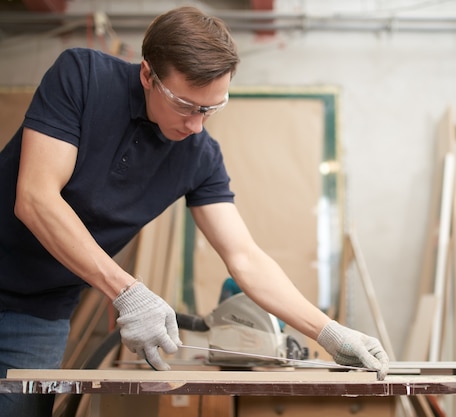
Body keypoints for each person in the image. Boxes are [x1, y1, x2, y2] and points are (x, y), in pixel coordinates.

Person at [0, 6, 389, 416]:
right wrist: (127, 292)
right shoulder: (82, 77)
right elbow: (36, 198)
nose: (197, 125)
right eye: (187, 105)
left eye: (211, 109)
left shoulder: (201, 158)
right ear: (148, 76)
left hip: (41, 310)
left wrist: (328, 332)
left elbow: (245, 257)